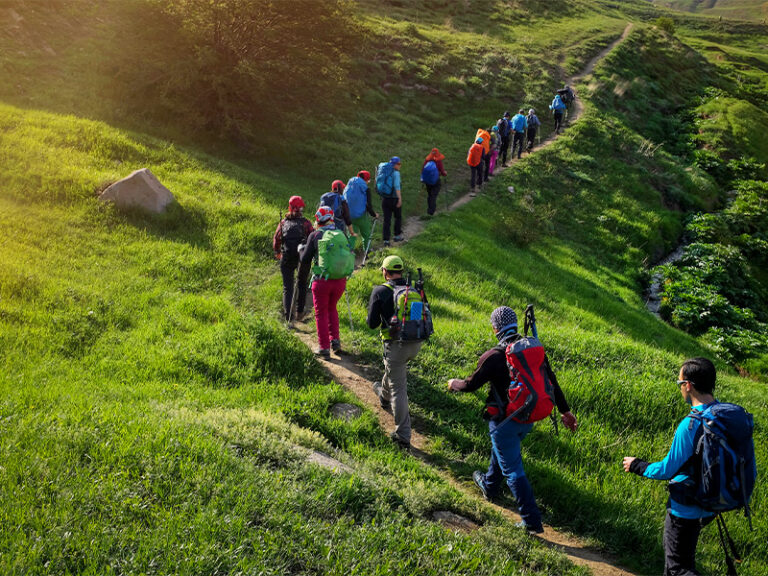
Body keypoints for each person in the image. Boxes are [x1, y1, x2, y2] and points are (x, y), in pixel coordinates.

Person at [448, 306, 578, 534]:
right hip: (528, 418)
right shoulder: (533, 349)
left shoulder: (493, 357)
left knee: (513, 470)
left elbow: (470, 385)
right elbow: (552, 382)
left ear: (495, 328)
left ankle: (531, 521)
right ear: (515, 324)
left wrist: (453, 384)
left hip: (504, 421)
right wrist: (565, 411)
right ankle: (489, 486)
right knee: (503, 451)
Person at [622, 358, 738, 576]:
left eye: (679, 383)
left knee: (678, 569)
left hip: (685, 507)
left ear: (688, 385)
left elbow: (667, 469)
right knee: (678, 562)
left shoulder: (691, 424)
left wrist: (637, 465)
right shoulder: (722, 415)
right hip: (712, 502)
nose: (680, 389)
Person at [368, 255, 424, 448]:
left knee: (399, 388)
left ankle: (403, 435)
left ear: (385, 271)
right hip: (415, 343)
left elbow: (372, 323)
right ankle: (384, 396)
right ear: (400, 271)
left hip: (396, 346)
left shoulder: (380, 291)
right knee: (394, 371)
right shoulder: (413, 290)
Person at [298, 206, 355, 359]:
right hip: (340, 281)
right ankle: (335, 341)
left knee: (321, 313)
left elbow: (305, 259)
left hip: (322, 281)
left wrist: (301, 249)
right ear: (331, 218)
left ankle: (323, 348)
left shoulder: (315, 235)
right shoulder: (341, 233)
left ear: (317, 219)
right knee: (332, 309)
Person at [272, 196, 313, 321]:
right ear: (301, 208)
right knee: (302, 283)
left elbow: (276, 239)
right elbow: (313, 237)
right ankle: (300, 312)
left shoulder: (283, 222)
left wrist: (278, 252)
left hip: (287, 257)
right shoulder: (306, 223)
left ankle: (288, 317)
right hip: (303, 257)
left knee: (287, 287)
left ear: (290, 207)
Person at [344, 170, 378, 255]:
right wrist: (374, 214)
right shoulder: (366, 189)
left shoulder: (349, 185)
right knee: (366, 234)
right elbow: (368, 205)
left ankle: (349, 254)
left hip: (349, 216)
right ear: (366, 180)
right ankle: (367, 252)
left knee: (352, 235)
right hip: (361, 216)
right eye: (368, 181)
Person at [376, 157, 403, 247]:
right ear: (395, 164)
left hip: (385, 199)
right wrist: (399, 198)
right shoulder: (396, 173)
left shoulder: (384, 172)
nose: (400, 166)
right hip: (394, 199)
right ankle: (397, 235)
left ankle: (386, 240)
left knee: (386, 220)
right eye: (399, 164)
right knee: (397, 217)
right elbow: (397, 186)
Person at [422, 148, 447, 216]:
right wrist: (444, 173)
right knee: (433, 196)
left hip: (428, 182)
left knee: (430, 195)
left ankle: (429, 210)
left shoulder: (427, 160)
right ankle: (431, 211)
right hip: (436, 181)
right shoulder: (438, 161)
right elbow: (442, 171)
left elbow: (423, 169)